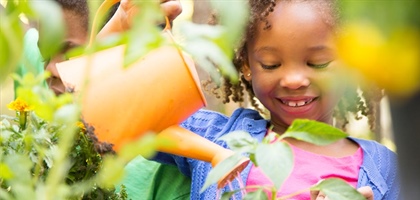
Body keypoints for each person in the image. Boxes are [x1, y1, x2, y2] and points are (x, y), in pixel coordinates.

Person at [150, 0, 400, 199]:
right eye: (271, 65)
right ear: (247, 65)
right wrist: (131, 26)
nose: (293, 80)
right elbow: (135, 119)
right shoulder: (215, 137)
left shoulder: (387, 171)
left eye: (318, 63)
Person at [14, 0, 191, 199]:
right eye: (45, 55)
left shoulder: (168, 174)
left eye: (71, 53)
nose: (48, 70)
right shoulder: (40, 84)